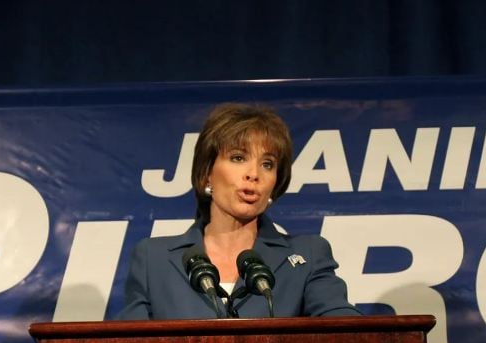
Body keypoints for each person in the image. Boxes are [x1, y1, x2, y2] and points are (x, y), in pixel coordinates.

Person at [117, 103, 360, 320]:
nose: (254, 174)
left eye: (267, 164)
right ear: (206, 174)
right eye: (238, 158)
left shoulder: (307, 255)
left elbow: (348, 333)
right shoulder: (153, 259)